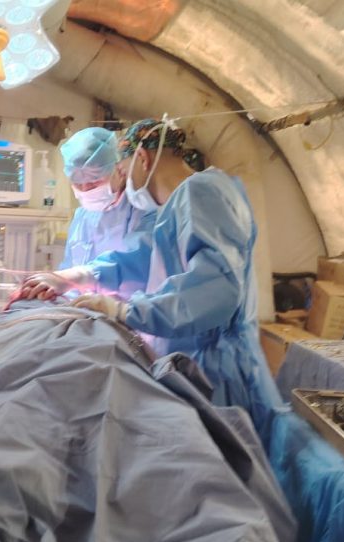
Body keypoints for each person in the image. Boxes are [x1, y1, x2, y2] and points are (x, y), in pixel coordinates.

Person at [20, 119, 282, 446]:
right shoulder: (183, 202)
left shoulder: (200, 194)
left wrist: (126, 311)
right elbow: (138, 256)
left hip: (212, 369)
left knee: (222, 460)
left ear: (142, 158)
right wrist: (76, 277)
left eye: (123, 169)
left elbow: (214, 291)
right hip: (192, 357)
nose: (125, 182)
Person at [58, 127, 156, 297]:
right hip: (80, 306)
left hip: (126, 308)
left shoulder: (143, 210)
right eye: (78, 183)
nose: (85, 189)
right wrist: (55, 286)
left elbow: (137, 264)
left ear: (119, 170)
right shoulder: (82, 216)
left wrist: (85, 277)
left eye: (94, 182)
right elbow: (69, 267)